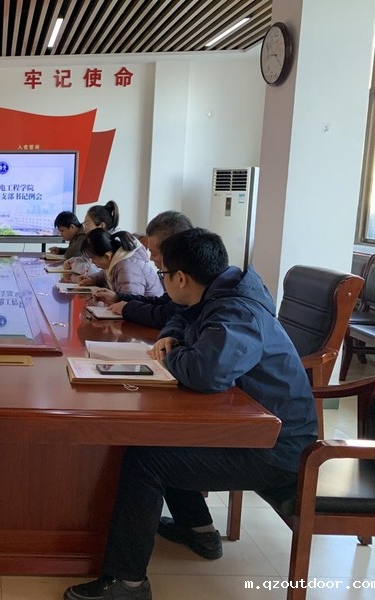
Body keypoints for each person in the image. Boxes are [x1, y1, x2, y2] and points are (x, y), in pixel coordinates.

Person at [63, 228, 317, 600]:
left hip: (275, 448)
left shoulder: (237, 310)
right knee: (160, 438)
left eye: (163, 273)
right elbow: (179, 315)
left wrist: (171, 353)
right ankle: (198, 530)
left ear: (181, 278)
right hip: (256, 427)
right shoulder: (218, 291)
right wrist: (173, 337)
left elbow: (205, 373)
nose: (161, 280)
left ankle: (127, 583)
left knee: (146, 460)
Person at [94, 211, 193, 328]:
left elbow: (168, 315)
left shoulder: (190, 277)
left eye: (154, 253)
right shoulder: (181, 269)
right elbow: (163, 302)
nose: (150, 258)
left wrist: (128, 308)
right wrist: (118, 297)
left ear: (172, 252)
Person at [77, 229, 163, 297]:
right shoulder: (116, 261)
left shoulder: (128, 268)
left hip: (148, 312)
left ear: (107, 256)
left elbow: (129, 301)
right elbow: (105, 274)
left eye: (93, 258)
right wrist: (92, 279)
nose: (92, 262)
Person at [64, 201, 121, 275]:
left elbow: (92, 270)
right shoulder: (97, 240)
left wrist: (73, 265)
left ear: (102, 226)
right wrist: (71, 261)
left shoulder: (109, 243)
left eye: (87, 224)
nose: (84, 229)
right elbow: (87, 258)